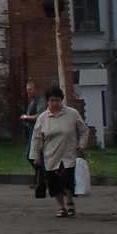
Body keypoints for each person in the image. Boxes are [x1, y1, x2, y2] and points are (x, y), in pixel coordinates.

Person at [29, 87, 88, 218]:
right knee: (54, 183)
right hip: (51, 155)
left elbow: (84, 130)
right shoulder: (43, 118)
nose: (55, 103)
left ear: (62, 100)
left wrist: (81, 144)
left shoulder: (72, 113)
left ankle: (70, 203)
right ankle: (61, 207)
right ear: (48, 102)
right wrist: (35, 156)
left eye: (57, 100)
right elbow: (37, 138)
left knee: (67, 179)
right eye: (52, 101)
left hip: (69, 153)